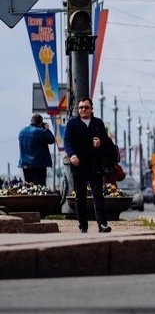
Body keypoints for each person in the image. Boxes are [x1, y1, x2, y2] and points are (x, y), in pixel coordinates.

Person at [63, 98, 112, 234]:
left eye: (85, 107)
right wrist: (72, 155)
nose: (83, 110)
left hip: (95, 165)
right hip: (78, 165)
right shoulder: (72, 124)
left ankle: (102, 224)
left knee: (98, 194)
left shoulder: (98, 123)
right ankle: (83, 226)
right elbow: (67, 142)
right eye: (80, 108)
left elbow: (107, 142)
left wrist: (100, 142)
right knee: (80, 196)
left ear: (91, 109)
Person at [18, 114, 55, 186]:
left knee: (28, 187)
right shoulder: (40, 132)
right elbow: (51, 140)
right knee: (39, 188)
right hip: (38, 165)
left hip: (25, 165)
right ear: (40, 123)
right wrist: (47, 129)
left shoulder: (22, 131)